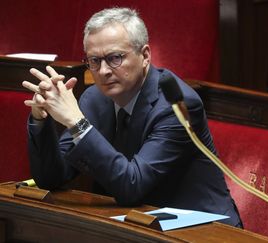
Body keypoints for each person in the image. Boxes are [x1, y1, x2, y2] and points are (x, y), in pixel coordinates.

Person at [21, 7, 242, 227]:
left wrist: (76, 122)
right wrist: (41, 120)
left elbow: (131, 185)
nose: (104, 70)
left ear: (145, 55)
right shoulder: (94, 99)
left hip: (203, 229)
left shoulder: (176, 106)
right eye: (94, 61)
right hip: (139, 223)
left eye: (115, 58)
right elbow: (51, 178)